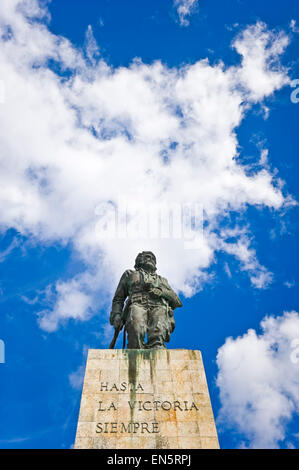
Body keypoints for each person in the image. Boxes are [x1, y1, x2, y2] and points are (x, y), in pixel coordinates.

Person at [110, 251, 182, 349]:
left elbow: (177, 301)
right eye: (147, 257)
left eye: (153, 258)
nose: (150, 259)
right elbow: (118, 299)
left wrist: (162, 292)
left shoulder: (161, 280)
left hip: (158, 306)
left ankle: (157, 351)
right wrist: (116, 315)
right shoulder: (129, 274)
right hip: (137, 304)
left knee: (158, 333)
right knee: (136, 330)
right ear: (139, 260)